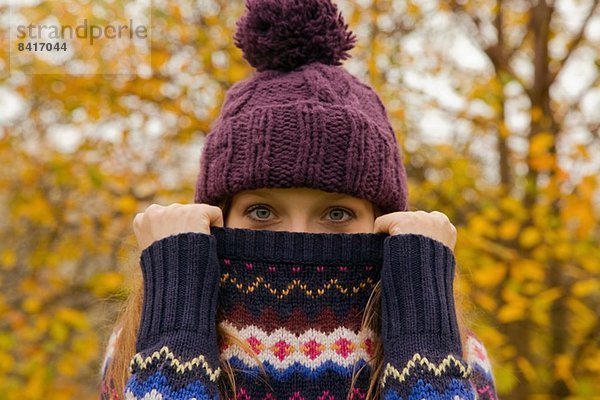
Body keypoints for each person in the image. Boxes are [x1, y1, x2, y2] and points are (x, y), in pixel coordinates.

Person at [99, 0, 499, 399]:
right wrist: (176, 326)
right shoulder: (139, 340)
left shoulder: (458, 353)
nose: (298, 236)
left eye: (337, 213)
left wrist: (424, 337)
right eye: (261, 211)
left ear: (386, 221)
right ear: (217, 217)